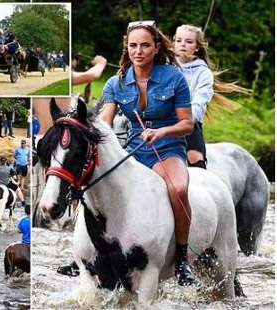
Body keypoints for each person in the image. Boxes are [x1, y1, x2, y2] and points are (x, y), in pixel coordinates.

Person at [100, 21, 195, 286]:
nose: (138, 51)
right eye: (133, 45)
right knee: (93, 186)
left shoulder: (174, 77)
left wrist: (162, 132)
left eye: (144, 45)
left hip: (167, 149)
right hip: (133, 150)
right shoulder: (115, 83)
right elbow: (105, 125)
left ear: (155, 48)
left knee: (179, 189)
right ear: (126, 48)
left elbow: (187, 124)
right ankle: (90, 255)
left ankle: (183, 257)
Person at [173, 25, 248, 169]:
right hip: (159, 123)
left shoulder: (203, 73)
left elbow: (198, 105)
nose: (183, 44)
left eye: (189, 42)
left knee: (195, 161)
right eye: (179, 40)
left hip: (188, 126)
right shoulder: (164, 67)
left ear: (197, 47)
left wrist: (183, 120)